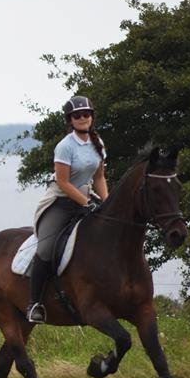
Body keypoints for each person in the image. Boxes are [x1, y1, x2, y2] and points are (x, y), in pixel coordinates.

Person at [26, 95, 109, 323]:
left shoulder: (98, 143)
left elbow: (99, 177)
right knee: (46, 248)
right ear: (70, 120)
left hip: (86, 199)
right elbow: (63, 182)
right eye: (77, 115)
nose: (83, 118)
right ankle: (34, 304)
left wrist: (107, 203)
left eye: (86, 114)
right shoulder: (64, 146)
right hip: (61, 203)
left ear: (92, 117)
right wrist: (86, 203)